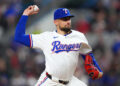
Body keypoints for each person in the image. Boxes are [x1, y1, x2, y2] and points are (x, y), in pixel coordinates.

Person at [14, 5, 103, 86]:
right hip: (50, 81)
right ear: (56, 22)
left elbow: (88, 56)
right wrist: (25, 14)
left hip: (71, 82)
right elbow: (19, 37)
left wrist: (99, 71)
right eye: (64, 19)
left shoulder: (79, 36)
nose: (67, 21)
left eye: (68, 18)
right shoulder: (47, 37)